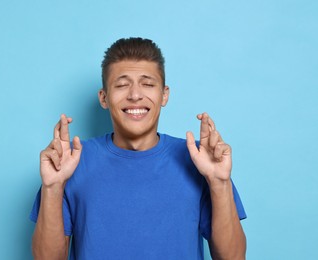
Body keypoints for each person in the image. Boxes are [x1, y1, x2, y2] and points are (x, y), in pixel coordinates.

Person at [30, 37, 247, 260]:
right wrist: (53, 187)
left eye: (148, 84)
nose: (135, 95)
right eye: (122, 85)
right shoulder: (70, 162)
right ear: (104, 98)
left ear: (164, 95)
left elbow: (233, 257)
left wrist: (219, 183)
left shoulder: (201, 160)